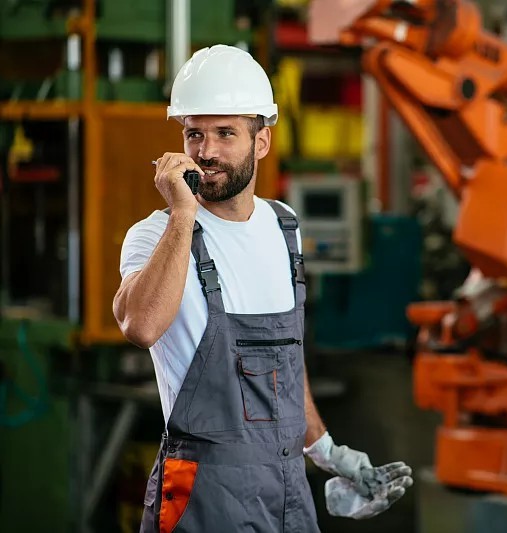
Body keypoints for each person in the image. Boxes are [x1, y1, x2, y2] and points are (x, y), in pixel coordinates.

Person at [113, 44, 413, 532]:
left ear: (262, 142)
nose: (206, 152)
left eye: (225, 133)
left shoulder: (284, 227)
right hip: (202, 491)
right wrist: (184, 215)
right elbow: (140, 325)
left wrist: (327, 452)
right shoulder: (157, 234)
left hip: (287, 483)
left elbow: (286, 365)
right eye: (195, 134)